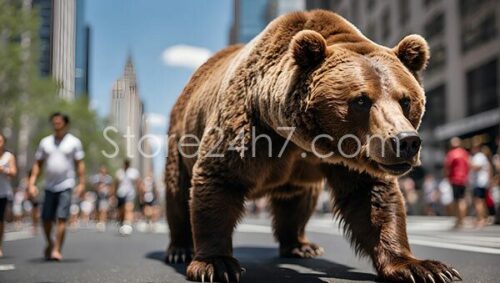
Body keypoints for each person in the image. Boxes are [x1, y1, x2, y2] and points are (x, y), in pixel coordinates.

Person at [28, 112, 85, 261]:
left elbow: (80, 164)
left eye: (59, 123)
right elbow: (38, 163)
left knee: (61, 217)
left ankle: (57, 249)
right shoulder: (45, 142)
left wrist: (82, 183)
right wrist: (32, 182)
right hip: (49, 186)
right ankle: (50, 242)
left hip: (66, 184)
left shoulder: (74, 142)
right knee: (46, 219)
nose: (56, 125)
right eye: (54, 123)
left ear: (66, 124)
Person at [444, 137, 469, 229]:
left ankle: (459, 220)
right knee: (462, 199)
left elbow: (447, 167)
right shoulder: (464, 153)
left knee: (456, 200)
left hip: (455, 179)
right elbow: (468, 165)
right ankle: (462, 219)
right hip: (463, 179)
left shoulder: (451, 154)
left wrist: (447, 178)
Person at [0, 133, 17, 257]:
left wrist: (3, 170)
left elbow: (13, 172)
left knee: (0, 220)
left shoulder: (8, 156)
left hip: (3, 192)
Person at [115, 159, 141, 235]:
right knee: (121, 211)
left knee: (128, 208)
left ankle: (127, 224)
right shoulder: (119, 172)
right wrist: (113, 194)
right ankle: (122, 222)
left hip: (130, 194)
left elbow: (138, 182)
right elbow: (116, 183)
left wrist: (139, 193)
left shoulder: (134, 172)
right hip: (120, 194)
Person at [470, 142, 492, 228]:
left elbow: (477, 167)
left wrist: (469, 163)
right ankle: (484, 218)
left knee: (478, 202)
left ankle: (481, 219)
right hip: (480, 182)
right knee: (481, 201)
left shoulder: (479, 156)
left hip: (479, 182)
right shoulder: (481, 156)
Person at [90, 166, 113, 232]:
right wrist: (99, 187)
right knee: (98, 210)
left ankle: (102, 222)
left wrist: (110, 194)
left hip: (105, 197)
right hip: (97, 196)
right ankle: (98, 221)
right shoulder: (96, 178)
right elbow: (94, 187)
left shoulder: (109, 178)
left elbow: (111, 187)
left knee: (104, 209)